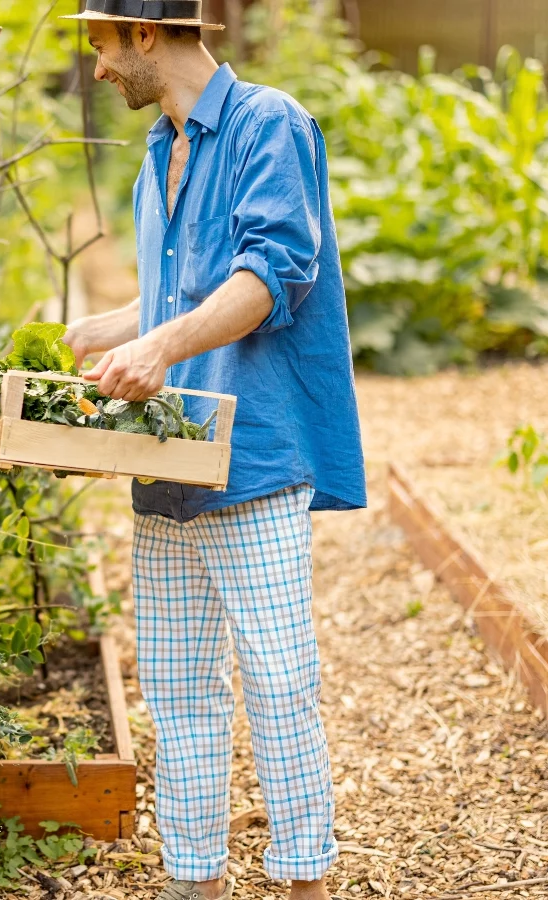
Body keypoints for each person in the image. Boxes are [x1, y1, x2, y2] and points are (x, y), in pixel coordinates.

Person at [60, 2, 366, 899]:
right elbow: (177, 293)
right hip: (170, 465)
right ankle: (193, 882)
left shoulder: (269, 124)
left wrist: (158, 348)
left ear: (146, 35)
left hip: (255, 453)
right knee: (180, 694)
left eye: (103, 48)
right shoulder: (162, 147)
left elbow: (271, 276)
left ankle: (304, 880)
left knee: (278, 685)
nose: (100, 69)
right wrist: (107, 330)